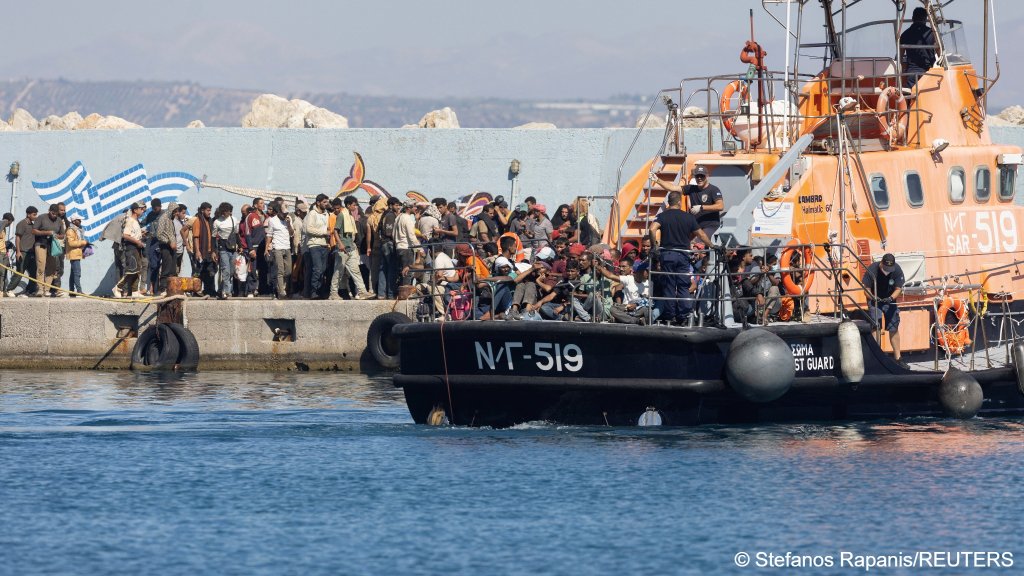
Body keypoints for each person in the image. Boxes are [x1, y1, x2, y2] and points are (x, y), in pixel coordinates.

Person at [648, 191, 711, 324]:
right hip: (683, 255)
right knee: (683, 285)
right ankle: (684, 316)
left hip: (667, 255)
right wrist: (712, 245)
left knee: (669, 286)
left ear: (669, 202)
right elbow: (701, 234)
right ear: (679, 202)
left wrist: (654, 246)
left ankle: (669, 316)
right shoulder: (688, 217)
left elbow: (652, 229)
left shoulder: (662, 216)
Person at [654, 166, 724, 242]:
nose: (699, 178)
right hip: (695, 225)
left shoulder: (713, 190)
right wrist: (657, 180)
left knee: (698, 243)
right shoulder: (691, 188)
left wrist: (701, 207)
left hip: (710, 226)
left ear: (707, 176)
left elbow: (720, 206)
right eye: (697, 176)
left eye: (702, 176)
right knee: (680, 241)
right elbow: (672, 188)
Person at [863, 252, 905, 363]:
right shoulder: (872, 269)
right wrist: (873, 297)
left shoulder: (897, 270)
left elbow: (898, 289)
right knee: (876, 326)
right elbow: (866, 289)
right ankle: (876, 357)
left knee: (893, 327)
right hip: (874, 300)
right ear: (881, 263)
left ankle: (898, 358)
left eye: (889, 269)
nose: (887, 271)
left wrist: (891, 298)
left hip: (889, 300)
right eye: (886, 268)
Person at [331, 196, 371, 299]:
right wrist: (340, 244)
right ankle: (333, 293)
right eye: (354, 205)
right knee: (338, 272)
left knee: (356, 271)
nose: (355, 207)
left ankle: (362, 292)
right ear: (348, 205)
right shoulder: (342, 215)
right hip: (342, 249)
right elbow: (335, 231)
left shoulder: (350, 216)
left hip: (351, 248)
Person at [31, 204, 66, 297]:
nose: (54, 215)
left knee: (52, 268)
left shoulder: (59, 220)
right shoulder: (41, 217)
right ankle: (40, 289)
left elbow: (63, 235)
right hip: (41, 244)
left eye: (56, 214)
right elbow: (33, 231)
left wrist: (56, 236)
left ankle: (47, 289)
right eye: (53, 213)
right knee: (41, 266)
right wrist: (46, 232)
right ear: (49, 211)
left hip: (52, 246)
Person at [113, 202, 146, 298]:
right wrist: (137, 242)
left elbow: (133, 234)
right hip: (131, 248)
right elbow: (125, 235)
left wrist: (141, 234)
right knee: (131, 270)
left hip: (136, 248)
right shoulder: (130, 221)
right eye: (141, 209)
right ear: (135, 210)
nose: (143, 211)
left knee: (137, 270)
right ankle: (118, 287)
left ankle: (135, 291)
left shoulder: (136, 221)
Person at [303, 194, 332, 299]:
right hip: (314, 245)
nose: (326, 204)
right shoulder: (312, 214)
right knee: (317, 268)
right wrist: (324, 232)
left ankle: (319, 291)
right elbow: (309, 229)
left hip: (324, 245)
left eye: (327, 202)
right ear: (318, 203)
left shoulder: (327, 214)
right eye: (324, 202)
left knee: (323, 269)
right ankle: (313, 291)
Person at [900, 7, 935, 88]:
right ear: (925, 19)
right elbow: (940, 53)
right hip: (928, 73)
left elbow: (900, 57)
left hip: (911, 74)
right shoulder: (932, 33)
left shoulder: (905, 34)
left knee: (912, 95)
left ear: (913, 18)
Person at [264, 202, 292, 299]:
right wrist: (266, 248)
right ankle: (281, 291)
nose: (285, 214)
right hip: (277, 248)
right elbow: (269, 235)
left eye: (286, 213)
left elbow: (291, 233)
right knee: (280, 270)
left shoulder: (288, 219)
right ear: (278, 212)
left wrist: (289, 224)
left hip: (287, 247)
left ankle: (280, 285)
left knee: (288, 271)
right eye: (283, 213)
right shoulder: (272, 220)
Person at [8, 206, 38, 296]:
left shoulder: (33, 225)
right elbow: (18, 238)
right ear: (28, 214)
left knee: (33, 273)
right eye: (34, 215)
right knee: (20, 271)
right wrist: (18, 252)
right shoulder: (21, 224)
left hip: (31, 253)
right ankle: (9, 290)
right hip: (23, 252)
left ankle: (30, 290)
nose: (35, 216)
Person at [191, 202, 218, 296]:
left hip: (209, 252)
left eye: (210, 210)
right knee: (199, 271)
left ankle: (209, 290)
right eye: (208, 210)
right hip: (201, 251)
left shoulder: (209, 221)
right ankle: (196, 291)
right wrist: (197, 251)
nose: (209, 212)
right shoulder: (198, 221)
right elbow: (196, 237)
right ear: (202, 210)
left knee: (210, 272)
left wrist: (213, 251)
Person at [212, 202, 237, 299]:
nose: (227, 213)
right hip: (223, 248)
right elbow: (213, 237)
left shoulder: (234, 220)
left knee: (232, 271)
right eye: (225, 211)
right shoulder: (217, 222)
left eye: (229, 211)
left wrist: (240, 246)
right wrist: (214, 251)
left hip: (233, 248)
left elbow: (236, 234)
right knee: (225, 270)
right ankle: (227, 291)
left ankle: (221, 289)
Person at [154, 202, 180, 294]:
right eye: (176, 211)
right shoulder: (163, 218)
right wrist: (169, 242)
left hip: (172, 247)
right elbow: (159, 235)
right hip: (165, 246)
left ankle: (171, 288)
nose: (177, 213)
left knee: (173, 269)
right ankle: (163, 288)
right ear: (172, 210)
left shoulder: (170, 219)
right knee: (166, 268)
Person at [65, 216, 88, 296]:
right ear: (74, 221)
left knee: (73, 274)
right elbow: (71, 243)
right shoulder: (71, 230)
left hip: (77, 253)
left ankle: (71, 291)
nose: (80, 221)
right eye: (78, 220)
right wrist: (83, 242)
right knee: (77, 273)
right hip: (73, 254)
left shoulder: (77, 230)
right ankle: (79, 291)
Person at [0, 212, 13, 296]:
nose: (9, 225)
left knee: (4, 273)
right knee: (1, 272)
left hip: (4, 252)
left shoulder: (4, 228)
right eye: (10, 222)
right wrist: (4, 222)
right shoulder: (2, 223)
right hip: (0, 253)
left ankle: (3, 290)